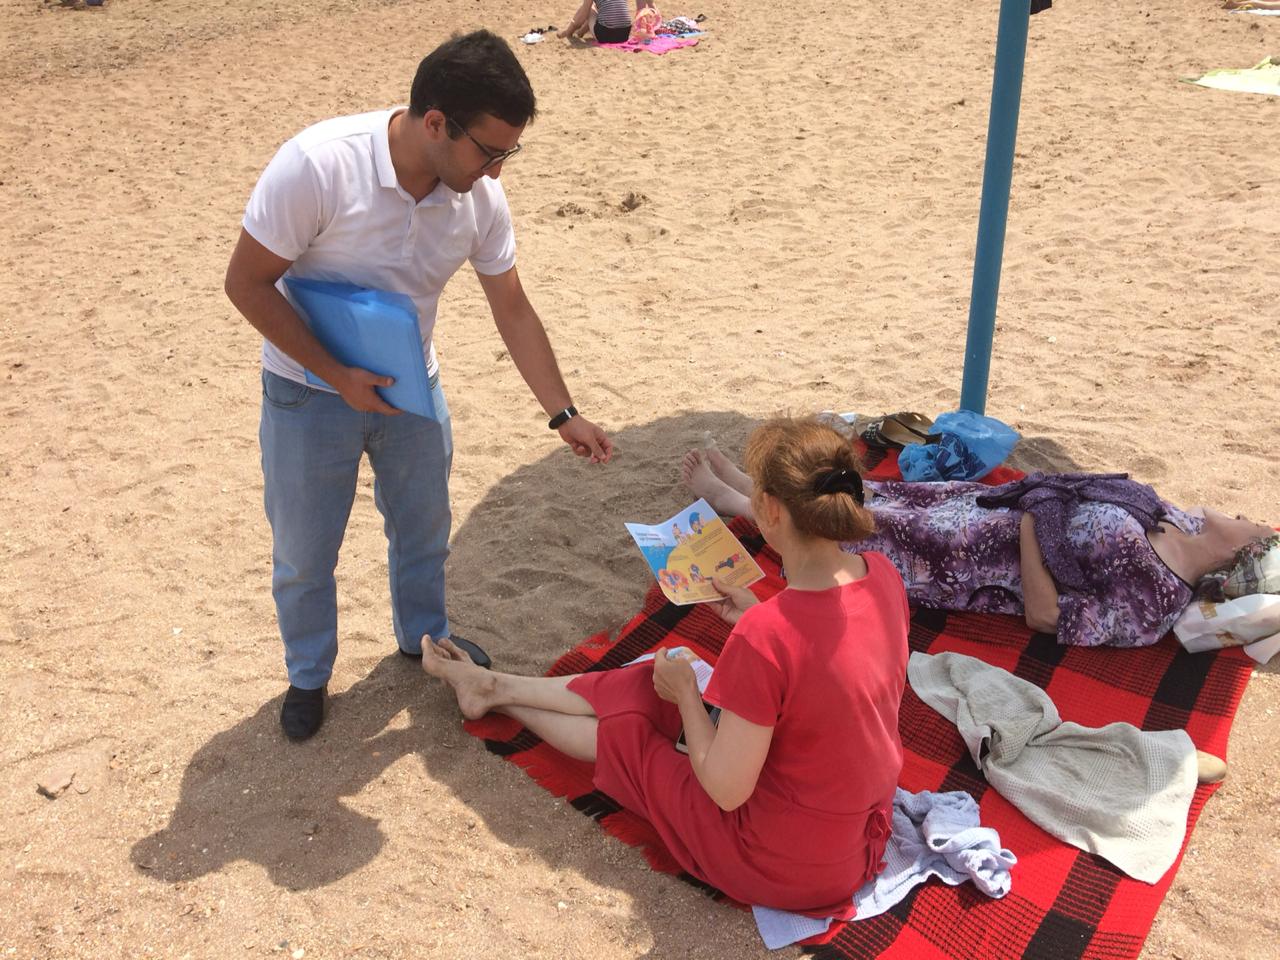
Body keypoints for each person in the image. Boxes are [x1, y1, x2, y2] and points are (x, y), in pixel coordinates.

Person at [224, 30, 614, 742]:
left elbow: (512, 307)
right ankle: (308, 677)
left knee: (424, 531)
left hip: (411, 388)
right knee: (305, 552)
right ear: (436, 122)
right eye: (488, 152)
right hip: (306, 392)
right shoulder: (317, 165)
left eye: (509, 153)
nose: (497, 171)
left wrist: (564, 414)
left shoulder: (479, 197)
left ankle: (425, 643)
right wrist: (335, 374)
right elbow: (245, 283)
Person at [424, 417, 909, 916]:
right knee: (646, 685)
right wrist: (756, 618)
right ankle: (495, 686)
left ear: (769, 508)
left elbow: (726, 789)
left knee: (632, 739)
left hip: (782, 863)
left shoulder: (768, 635)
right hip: (858, 838)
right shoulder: (883, 577)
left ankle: (498, 698)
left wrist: (687, 698)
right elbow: (826, 667)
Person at [682, 444, 1276, 649]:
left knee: (864, 529)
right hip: (991, 506)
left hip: (971, 560)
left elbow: (1047, 616)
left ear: (1238, 559)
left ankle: (741, 503)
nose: (1247, 517)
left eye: (1253, 527)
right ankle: (755, 489)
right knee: (886, 496)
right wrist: (1034, 502)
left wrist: (1033, 524)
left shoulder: (1152, 603)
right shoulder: (1176, 519)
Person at [557, 0, 632, 43]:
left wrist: (569, 31)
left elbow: (581, 19)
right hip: (624, 34)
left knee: (589, 9)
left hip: (606, 35)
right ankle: (580, 33)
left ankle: (569, 33)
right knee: (601, 12)